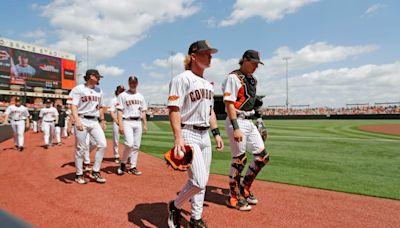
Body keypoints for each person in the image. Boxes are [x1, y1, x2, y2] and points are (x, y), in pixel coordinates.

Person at [167, 40, 224, 228]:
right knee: (198, 181)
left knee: (203, 180)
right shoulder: (181, 79)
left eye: (210, 53)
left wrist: (216, 133)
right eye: (206, 53)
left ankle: (196, 218)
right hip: (188, 132)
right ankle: (175, 206)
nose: (210, 57)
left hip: (205, 135)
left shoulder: (208, 84)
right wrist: (178, 138)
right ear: (193, 56)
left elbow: (210, 112)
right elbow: (174, 109)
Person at [222, 50, 270, 211]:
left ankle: (244, 187)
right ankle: (233, 197)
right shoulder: (233, 78)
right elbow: (229, 104)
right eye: (255, 63)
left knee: (262, 157)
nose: (256, 66)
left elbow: (255, 104)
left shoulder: (252, 80)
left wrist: (260, 122)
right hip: (237, 121)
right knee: (239, 160)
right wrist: (236, 128)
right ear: (245, 60)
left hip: (249, 122)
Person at [67, 69, 107, 184]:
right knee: (81, 148)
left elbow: (100, 107)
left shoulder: (99, 90)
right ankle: (79, 174)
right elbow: (73, 106)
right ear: (91, 76)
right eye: (97, 76)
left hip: (94, 121)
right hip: (82, 119)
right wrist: (77, 121)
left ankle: (95, 171)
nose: (99, 79)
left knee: (102, 144)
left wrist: (102, 120)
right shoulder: (78, 89)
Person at [116, 77, 147, 176]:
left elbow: (143, 111)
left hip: (138, 122)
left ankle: (133, 166)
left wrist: (145, 124)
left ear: (137, 83)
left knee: (136, 146)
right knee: (129, 144)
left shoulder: (141, 96)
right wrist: (120, 124)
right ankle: (123, 164)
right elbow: (119, 111)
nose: (133, 84)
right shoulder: (122, 95)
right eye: (131, 82)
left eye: (134, 82)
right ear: (128, 83)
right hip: (127, 121)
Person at [109, 85, 125, 164]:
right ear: (117, 91)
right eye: (120, 90)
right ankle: (116, 156)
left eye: (123, 90)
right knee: (116, 140)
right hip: (117, 122)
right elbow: (111, 112)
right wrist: (116, 120)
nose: (121, 91)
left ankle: (128, 156)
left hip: (126, 121)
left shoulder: (126, 99)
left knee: (128, 140)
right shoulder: (114, 100)